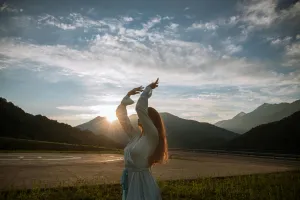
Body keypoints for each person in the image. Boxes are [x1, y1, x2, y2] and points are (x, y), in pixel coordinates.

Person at [116, 78, 168, 200]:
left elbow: (139, 108)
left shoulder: (152, 136)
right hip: (130, 181)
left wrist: (147, 89)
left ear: (149, 120)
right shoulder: (136, 136)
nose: (140, 116)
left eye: (145, 115)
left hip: (142, 184)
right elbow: (122, 119)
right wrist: (127, 97)